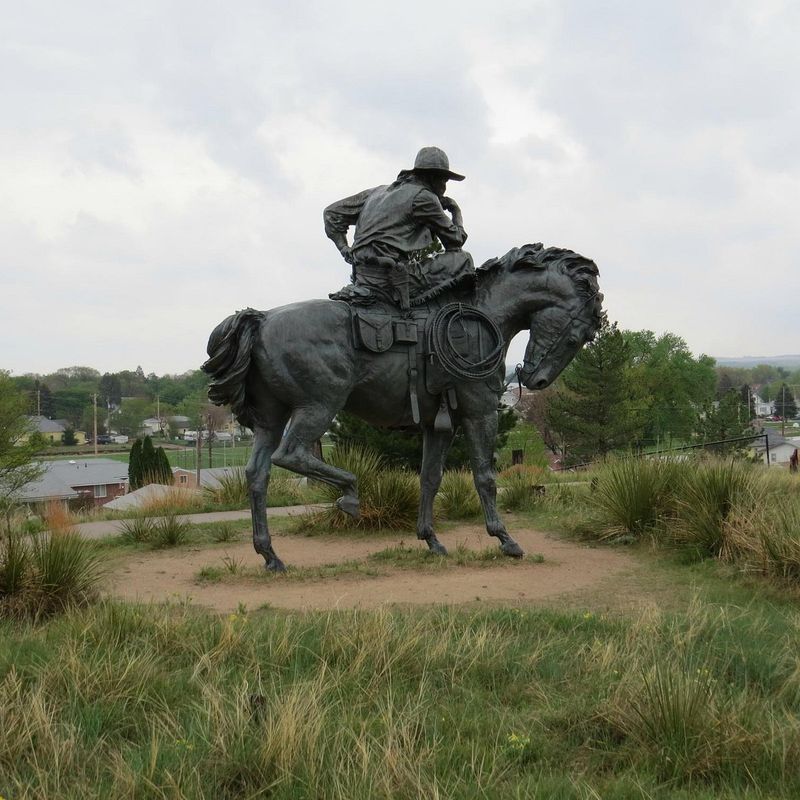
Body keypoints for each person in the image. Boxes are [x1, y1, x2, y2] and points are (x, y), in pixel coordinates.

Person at [324, 146, 474, 305]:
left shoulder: (377, 192)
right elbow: (455, 241)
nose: (445, 188)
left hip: (361, 274)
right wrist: (455, 211)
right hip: (390, 278)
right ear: (434, 178)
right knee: (463, 259)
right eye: (444, 181)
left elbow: (331, 213)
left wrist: (344, 248)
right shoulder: (424, 198)